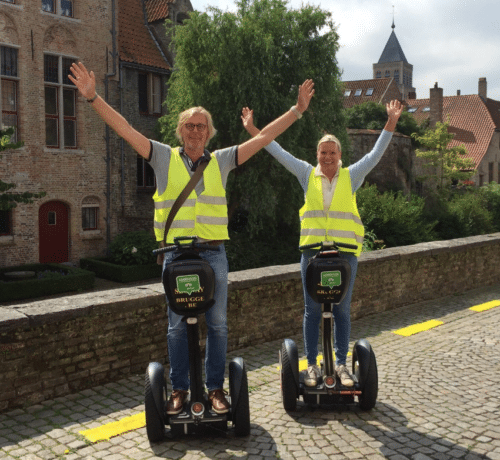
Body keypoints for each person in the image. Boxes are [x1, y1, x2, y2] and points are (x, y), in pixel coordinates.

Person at [68, 62, 315, 414]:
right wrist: (93, 98)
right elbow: (125, 129)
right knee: (175, 326)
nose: (195, 131)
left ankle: (215, 389)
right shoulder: (162, 156)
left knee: (218, 324)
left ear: (208, 132)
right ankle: (180, 389)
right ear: (181, 130)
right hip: (175, 254)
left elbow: (262, 139)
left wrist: (297, 110)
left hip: (213, 254)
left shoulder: (222, 160)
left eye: (201, 126)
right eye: (189, 125)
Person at [242, 99, 403, 387]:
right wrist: (254, 130)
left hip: (345, 254)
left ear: (340, 155)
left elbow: (375, 154)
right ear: (317, 154)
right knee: (312, 310)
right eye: (323, 152)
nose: (327, 157)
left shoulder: (351, 176)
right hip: (313, 253)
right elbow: (277, 151)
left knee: (341, 309)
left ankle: (340, 364)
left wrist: (391, 122)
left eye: (332, 152)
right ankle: (312, 365)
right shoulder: (307, 174)